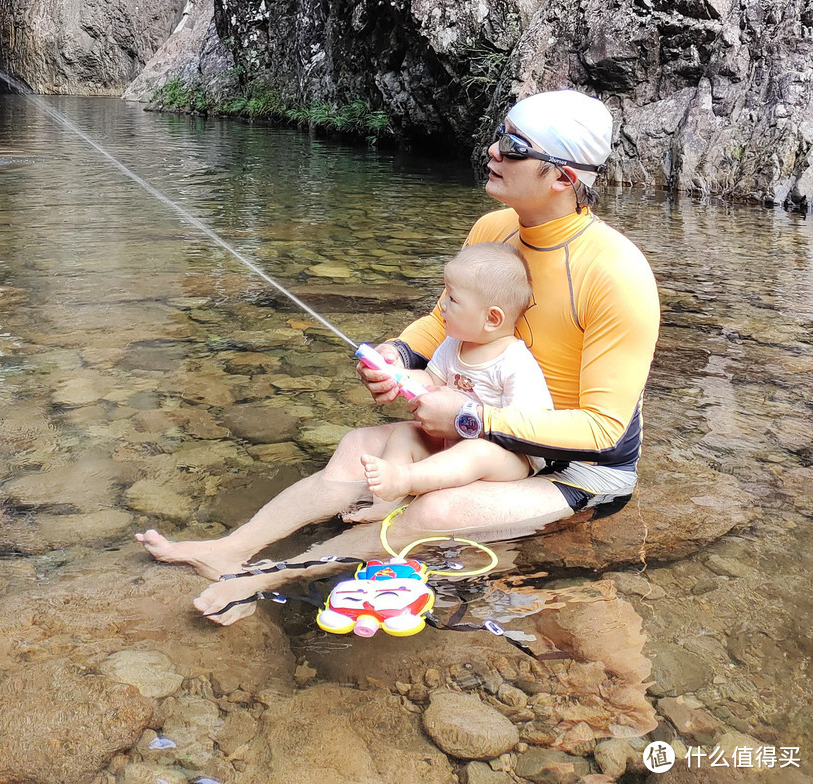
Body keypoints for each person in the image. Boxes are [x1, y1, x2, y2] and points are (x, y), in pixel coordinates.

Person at [137, 88, 661, 626]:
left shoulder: (616, 274)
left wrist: (466, 416)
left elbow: (602, 429)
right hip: (487, 429)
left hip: (581, 469)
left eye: (513, 145)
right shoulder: (494, 229)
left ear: (563, 178)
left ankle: (264, 581)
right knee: (355, 449)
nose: (493, 151)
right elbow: (442, 322)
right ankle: (231, 549)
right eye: (501, 136)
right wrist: (399, 354)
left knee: (435, 510)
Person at [354, 241, 553, 515]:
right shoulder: (453, 344)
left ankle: (405, 480)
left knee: (476, 453)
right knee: (404, 434)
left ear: (492, 318)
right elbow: (430, 380)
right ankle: (381, 504)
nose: (442, 306)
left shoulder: (515, 362)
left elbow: (528, 426)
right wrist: (395, 374)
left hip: (507, 457)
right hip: (455, 441)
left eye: (452, 298)